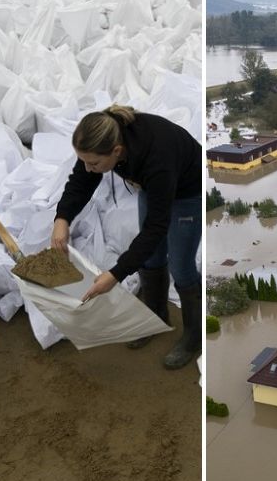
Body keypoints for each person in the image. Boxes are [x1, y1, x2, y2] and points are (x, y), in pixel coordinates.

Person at [52, 105, 201, 369]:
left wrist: (116, 274)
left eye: (94, 163)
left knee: (181, 265)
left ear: (117, 152)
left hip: (188, 192)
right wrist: (62, 219)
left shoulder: (157, 158)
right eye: (84, 161)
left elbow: (156, 227)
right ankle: (155, 318)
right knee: (151, 258)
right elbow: (80, 181)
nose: (88, 168)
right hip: (151, 186)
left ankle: (193, 337)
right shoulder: (100, 138)